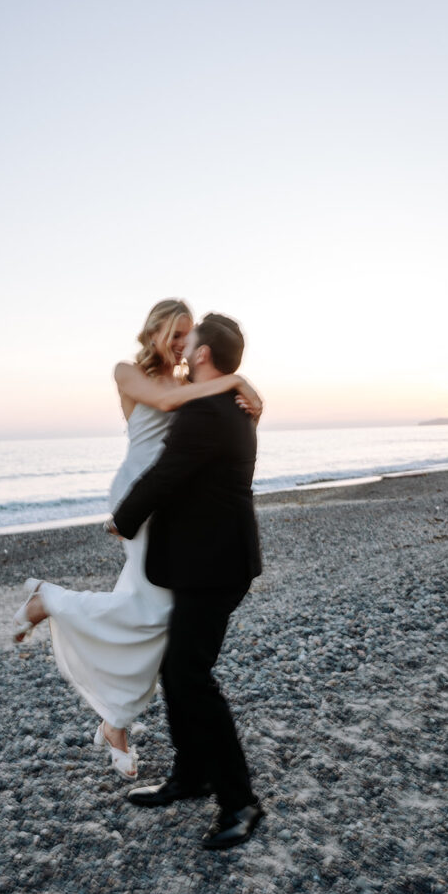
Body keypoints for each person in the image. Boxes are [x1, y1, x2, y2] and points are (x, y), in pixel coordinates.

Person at [13, 300, 262, 781]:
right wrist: (236, 380)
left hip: (171, 501)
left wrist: (247, 397)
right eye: (175, 333)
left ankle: (116, 722)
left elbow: (217, 427)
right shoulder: (128, 373)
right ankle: (51, 601)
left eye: (188, 334)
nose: (181, 342)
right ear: (153, 334)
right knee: (156, 614)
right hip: (140, 493)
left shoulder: (193, 382)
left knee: (161, 619)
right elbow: (168, 407)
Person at [107, 312, 263, 850]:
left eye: (188, 340)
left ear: (200, 355)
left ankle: (240, 802)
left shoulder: (209, 410)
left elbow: (167, 475)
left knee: (191, 675)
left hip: (215, 567)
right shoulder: (229, 404)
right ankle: (191, 776)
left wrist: (121, 519)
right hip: (211, 560)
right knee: (179, 671)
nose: (181, 347)